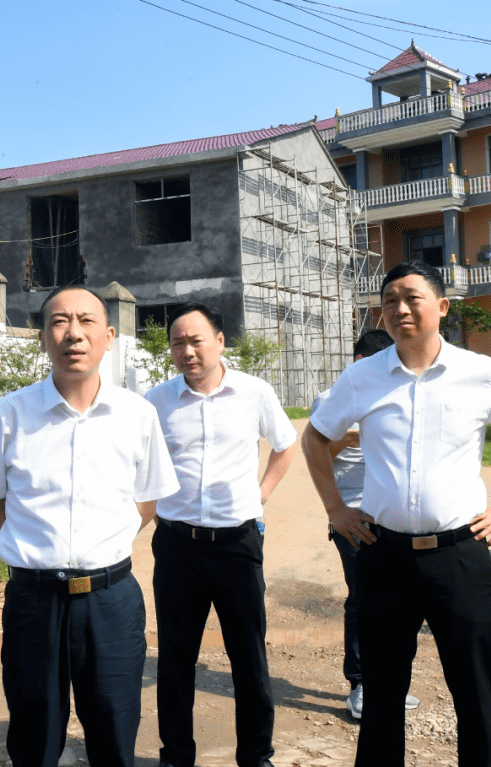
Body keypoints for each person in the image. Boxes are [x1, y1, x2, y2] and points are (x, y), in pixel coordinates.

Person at [303, 262, 491, 767]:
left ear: (441, 307)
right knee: (382, 696)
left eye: (411, 298)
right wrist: (336, 509)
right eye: (389, 300)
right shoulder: (363, 377)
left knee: (475, 692)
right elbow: (314, 437)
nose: (399, 308)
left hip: (459, 556)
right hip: (383, 555)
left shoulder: (479, 373)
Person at [0, 286, 179, 767]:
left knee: (114, 734)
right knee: (34, 739)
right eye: (60, 321)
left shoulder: (137, 414)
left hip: (111, 601)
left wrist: (107, 542)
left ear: (109, 337)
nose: (73, 333)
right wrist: (34, 551)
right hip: (33, 603)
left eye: (86, 321)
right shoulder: (10, 414)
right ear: (43, 338)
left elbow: (148, 498)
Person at [144, 303, 297, 767]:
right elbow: (140, 463)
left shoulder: (254, 392)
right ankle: (176, 755)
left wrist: (260, 495)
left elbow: (286, 444)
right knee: (176, 657)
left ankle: (256, 756)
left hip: (237, 543)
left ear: (220, 341)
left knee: (248, 655)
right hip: (177, 545)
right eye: (178, 343)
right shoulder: (156, 401)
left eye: (196, 341)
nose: (187, 351)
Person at [311, 329, 422, 720]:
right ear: (362, 361)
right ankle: (361, 685)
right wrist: (349, 438)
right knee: (362, 598)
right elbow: (318, 451)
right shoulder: (333, 398)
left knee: (400, 601)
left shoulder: (397, 392)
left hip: (395, 517)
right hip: (354, 515)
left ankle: (388, 682)